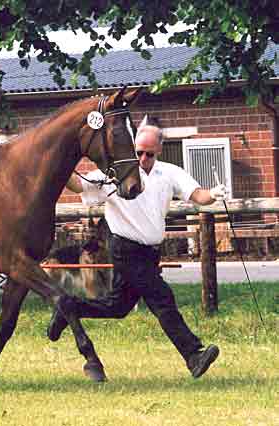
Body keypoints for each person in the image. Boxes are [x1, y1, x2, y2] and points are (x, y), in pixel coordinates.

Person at [47, 117, 226, 379]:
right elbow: (77, 186)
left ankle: (69, 306)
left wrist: (214, 193)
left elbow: (198, 195)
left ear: (159, 151)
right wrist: (62, 161)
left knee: (117, 308)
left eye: (149, 154)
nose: (142, 158)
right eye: (138, 152)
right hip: (125, 249)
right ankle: (193, 355)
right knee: (162, 299)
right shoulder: (114, 174)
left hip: (150, 253)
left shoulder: (169, 173)